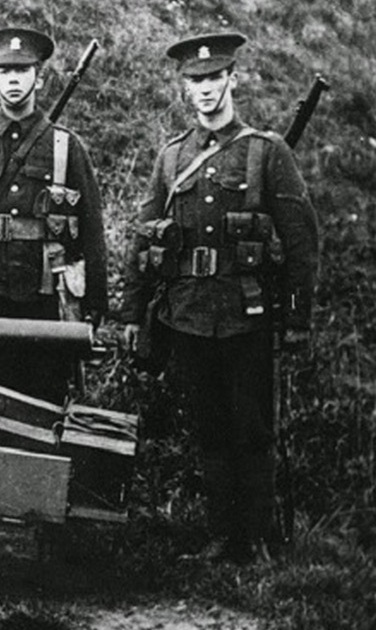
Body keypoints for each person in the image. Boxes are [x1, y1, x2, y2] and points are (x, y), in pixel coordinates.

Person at [121, 33, 319, 563]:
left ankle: (254, 539)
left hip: (246, 312)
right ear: (184, 88)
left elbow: (301, 241)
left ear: (233, 79)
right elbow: (145, 236)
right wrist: (133, 311)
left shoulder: (265, 152)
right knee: (209, 427)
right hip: (188, 313)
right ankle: (219, 534)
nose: (205, 89)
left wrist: (296, 319)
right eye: (195, 81)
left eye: (214, 78)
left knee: (252, 428)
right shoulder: (172, 157)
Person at [0, 27, 107, 405]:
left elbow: (92, 228)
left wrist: (95, 303)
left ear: (38, 78)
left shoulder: (65, 145)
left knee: (48, 399)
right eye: (4, 71)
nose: (13, 79)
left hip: (47, 295)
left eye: (22, 70)